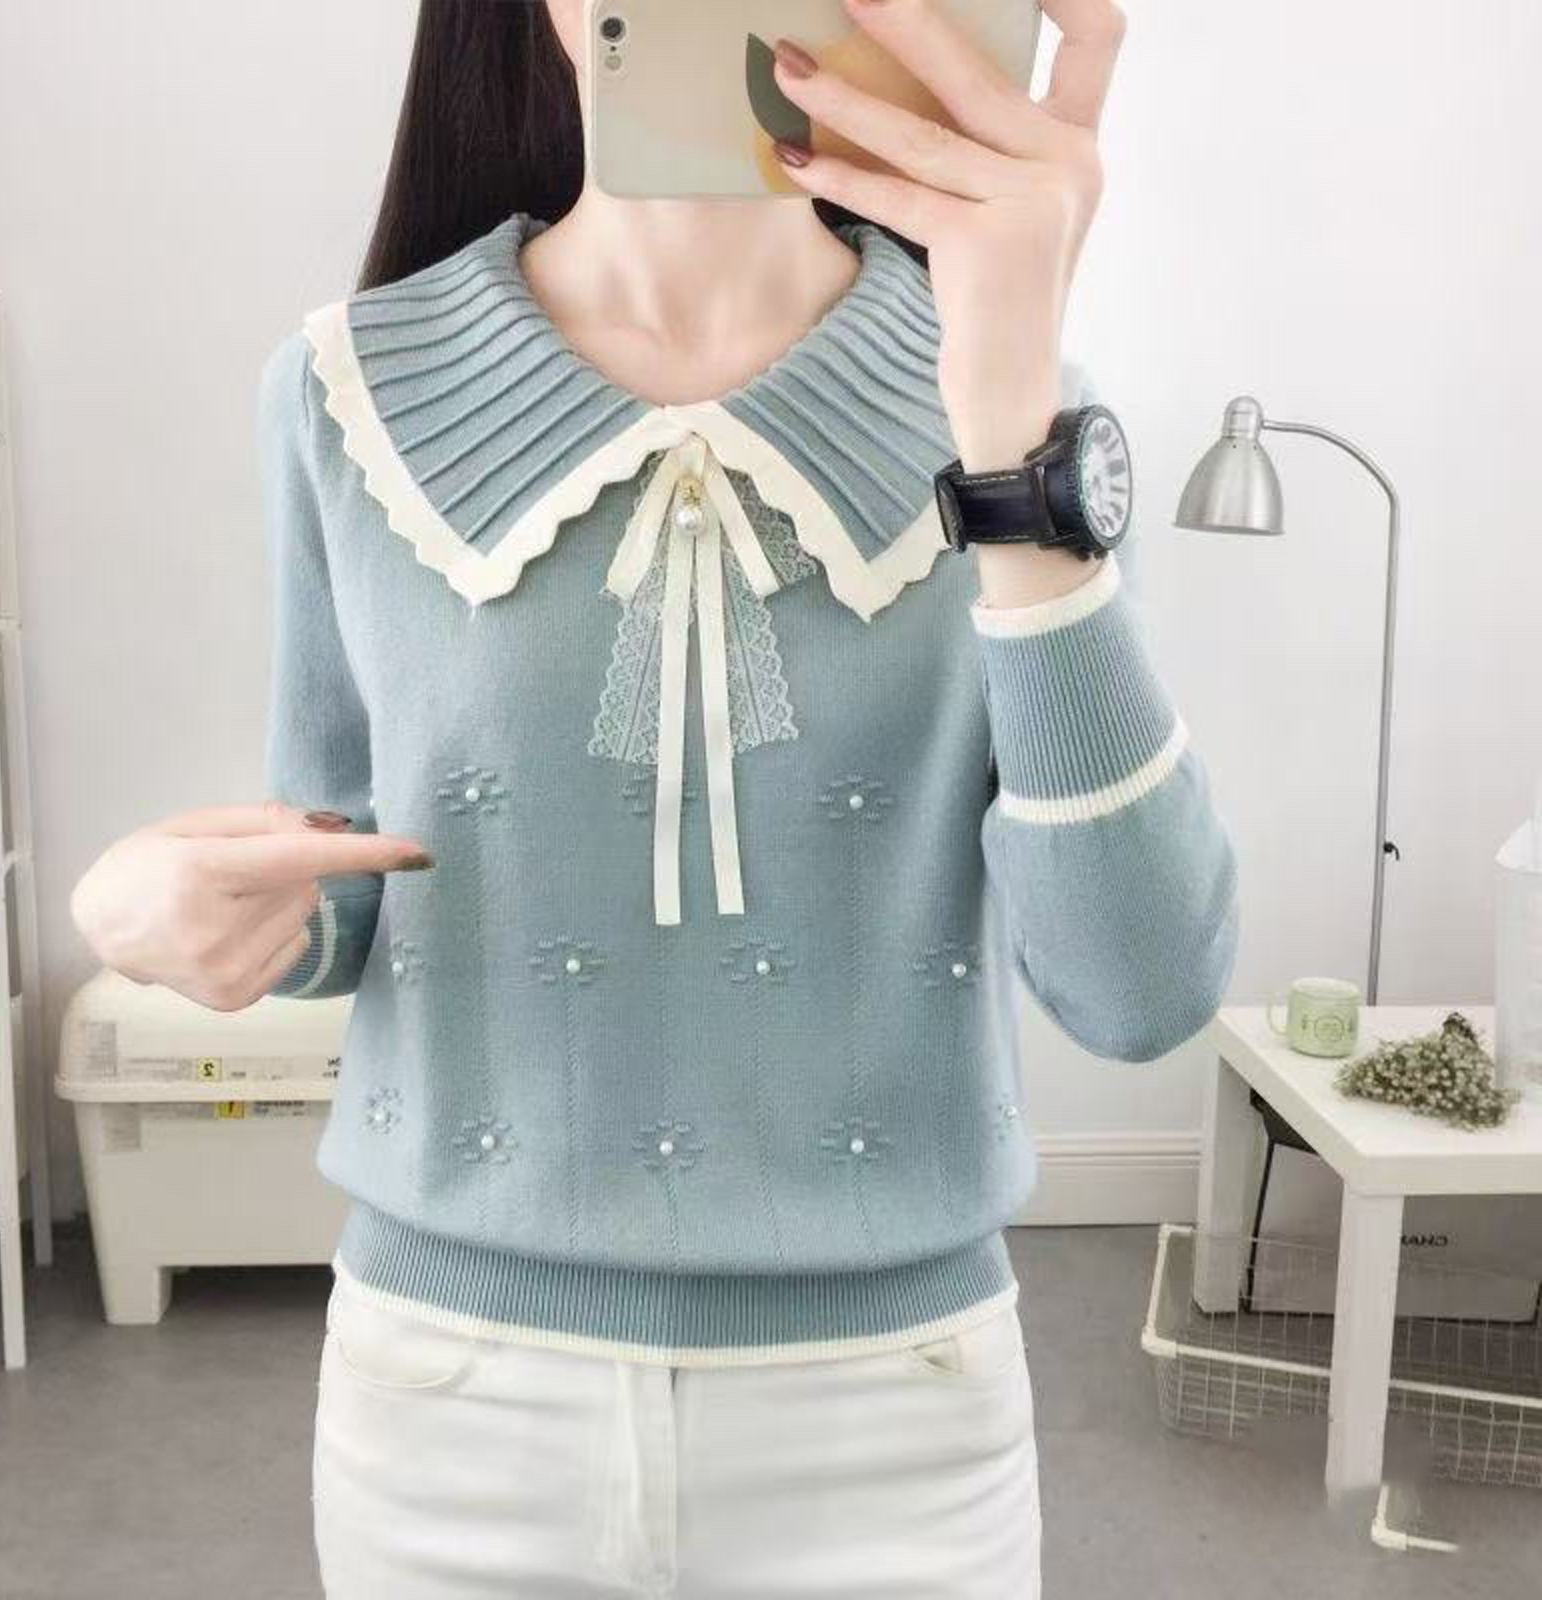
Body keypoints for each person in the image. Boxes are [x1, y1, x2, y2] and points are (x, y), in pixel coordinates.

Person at [71, 0, 1238, 1593]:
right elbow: (351, 866)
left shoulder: (1021, 407)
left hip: (898, 1422)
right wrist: (148, 904)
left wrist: (1008, 434)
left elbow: (1140, 989)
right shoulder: (344, 389)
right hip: (451, 1414)